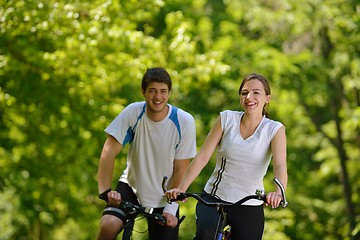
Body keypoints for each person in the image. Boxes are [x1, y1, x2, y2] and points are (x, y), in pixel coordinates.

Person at [165, 73, 288, 240]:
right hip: (215, 199)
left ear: (267, 98)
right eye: (244, 93)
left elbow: (280, 166)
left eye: (256, 92)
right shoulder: (227, 118)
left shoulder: (274, 130)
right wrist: (181, 188)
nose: (249, 97)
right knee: (205, 235)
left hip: (249, 203)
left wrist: (278, 193)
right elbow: (202, 157)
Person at [97, 67, 197, 240]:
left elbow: (181, 169)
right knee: (108, 225)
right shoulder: (133, 113)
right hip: (131, 187)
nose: (158, 97)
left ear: (169, 93)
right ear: (143, 92)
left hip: (165, 196)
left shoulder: (184, 121)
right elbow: (108, 152)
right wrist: (105, 191)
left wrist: (171, 209)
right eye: (152, 91)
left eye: (163, 91)